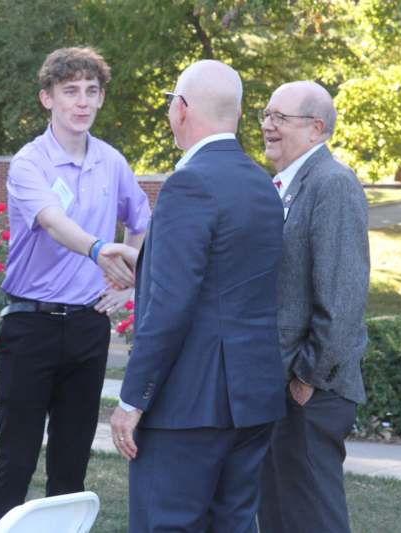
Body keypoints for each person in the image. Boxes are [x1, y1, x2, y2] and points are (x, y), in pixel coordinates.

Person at [108, 60, 287, 532]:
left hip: (189, 405)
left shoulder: (188, 184)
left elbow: (169, 307)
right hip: (252, 399)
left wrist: (132, 400)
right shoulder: (262, 185)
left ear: (181, 109)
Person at [0, 46, 151, 530]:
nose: (82, 102)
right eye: (70, 91)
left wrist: (128, 283)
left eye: (91, 92)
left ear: (100, 99)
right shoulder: (29, 163)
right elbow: (54, 224)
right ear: (47, 98)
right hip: (29, 325)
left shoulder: (111, 161)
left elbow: (141, 220)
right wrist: (102, 251)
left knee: (71, 465)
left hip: (87, 326)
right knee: (14, 460)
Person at [257, 81, 369, 533]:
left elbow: (342, 298)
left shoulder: (332, 184)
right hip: (282, 390)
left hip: (312, 395)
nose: (267, 125)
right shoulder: (286, 186)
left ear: (316, 128)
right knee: (281, 517)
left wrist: (306, 377)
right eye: (266, 114)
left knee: (311, 520)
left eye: (280, 118)